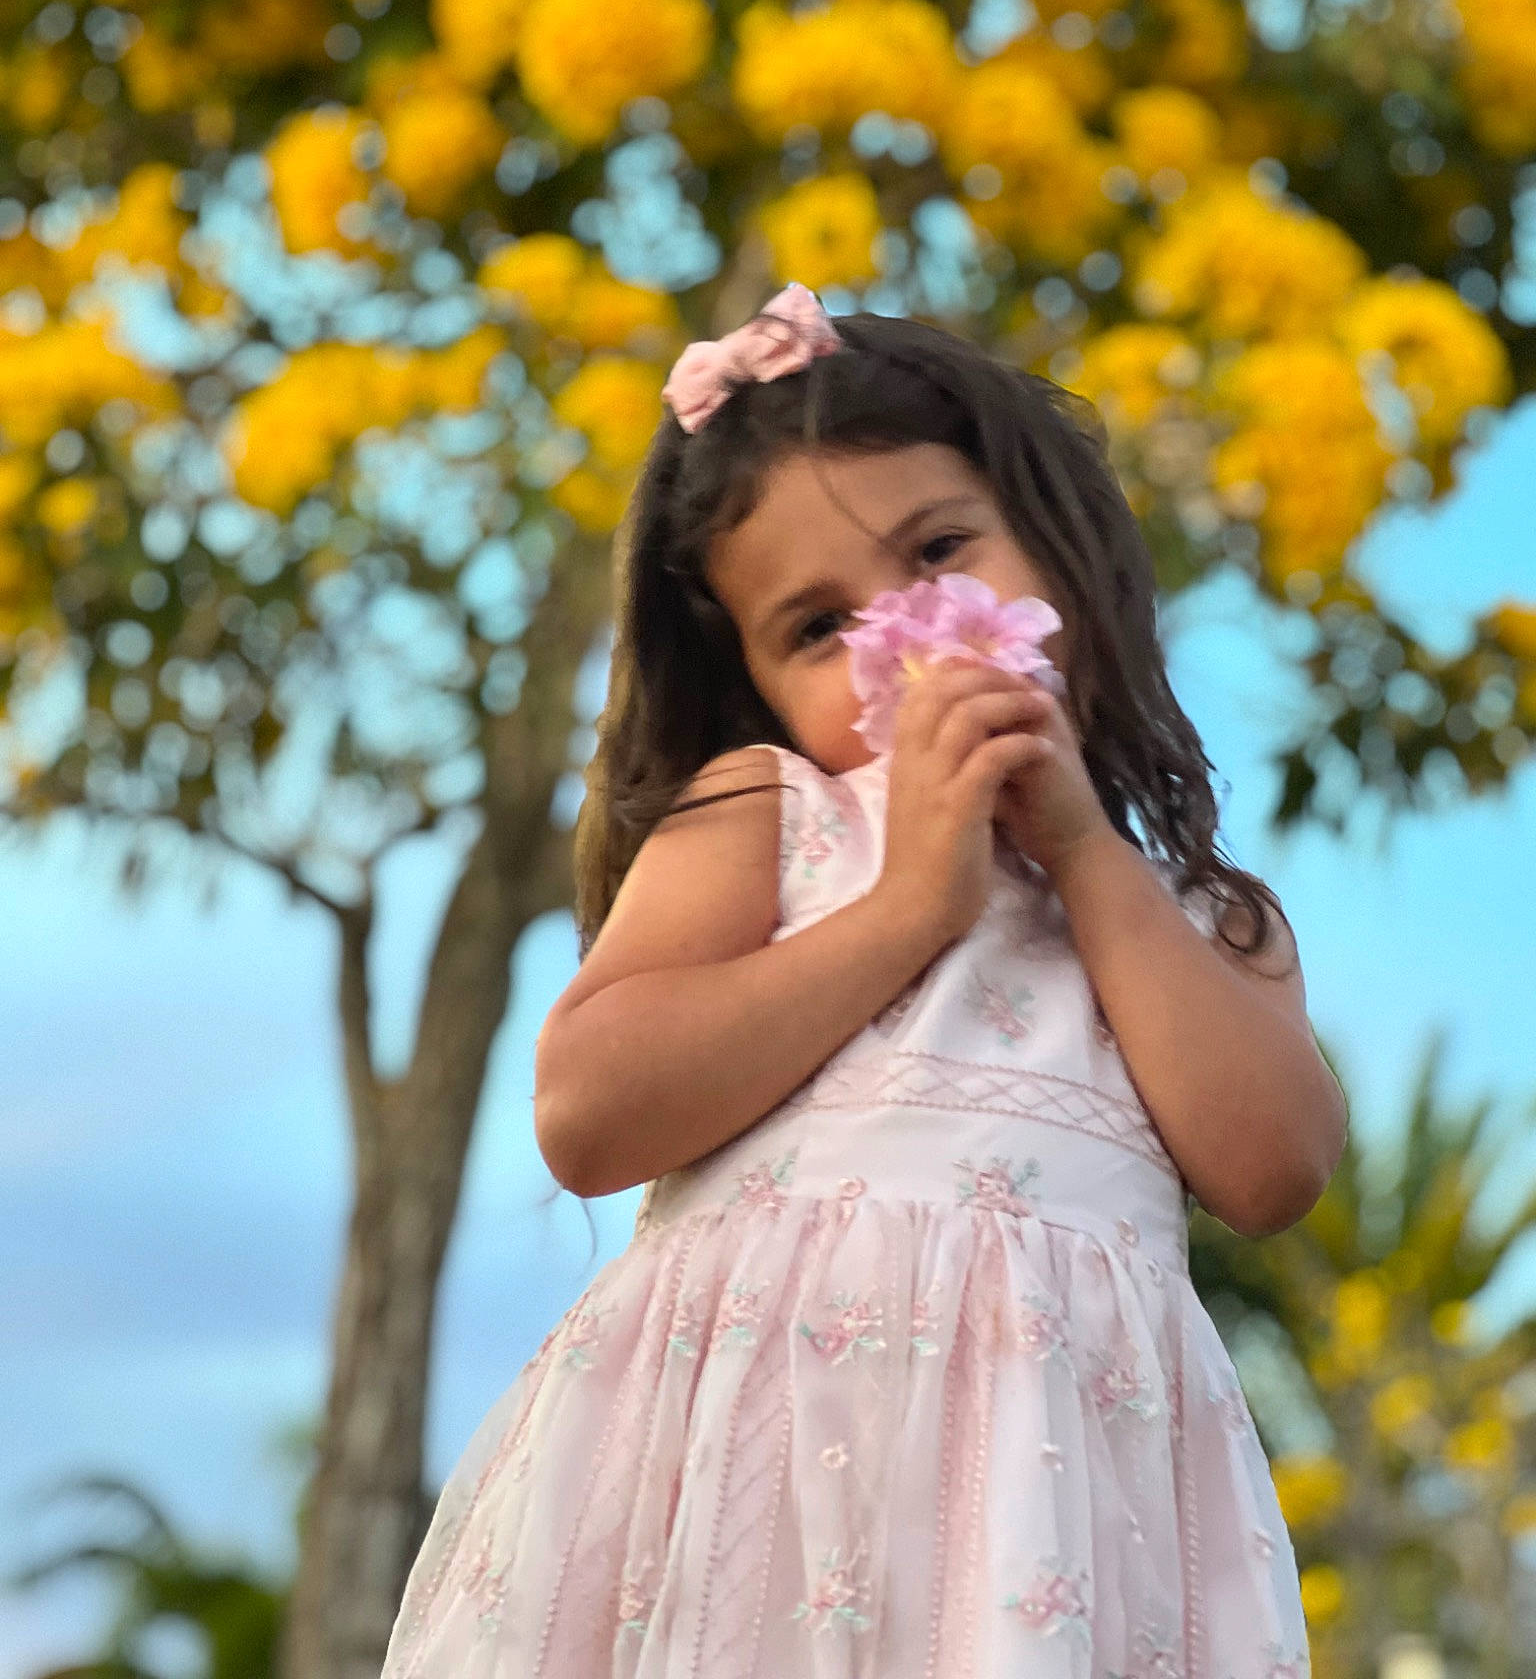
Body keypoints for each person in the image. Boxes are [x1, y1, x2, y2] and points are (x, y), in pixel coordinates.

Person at [381, 285, 1346, 1678]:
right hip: (756, 1511)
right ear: (758, 684)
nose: (904, 634)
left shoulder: (1195, 921)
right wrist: (909, 908)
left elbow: (1274, 1169)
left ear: (1063, 551)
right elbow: (588, 1110)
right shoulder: (768, 815)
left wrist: (1076, 847)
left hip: (1049, 1527)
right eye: (817, 627)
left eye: (942, 549)